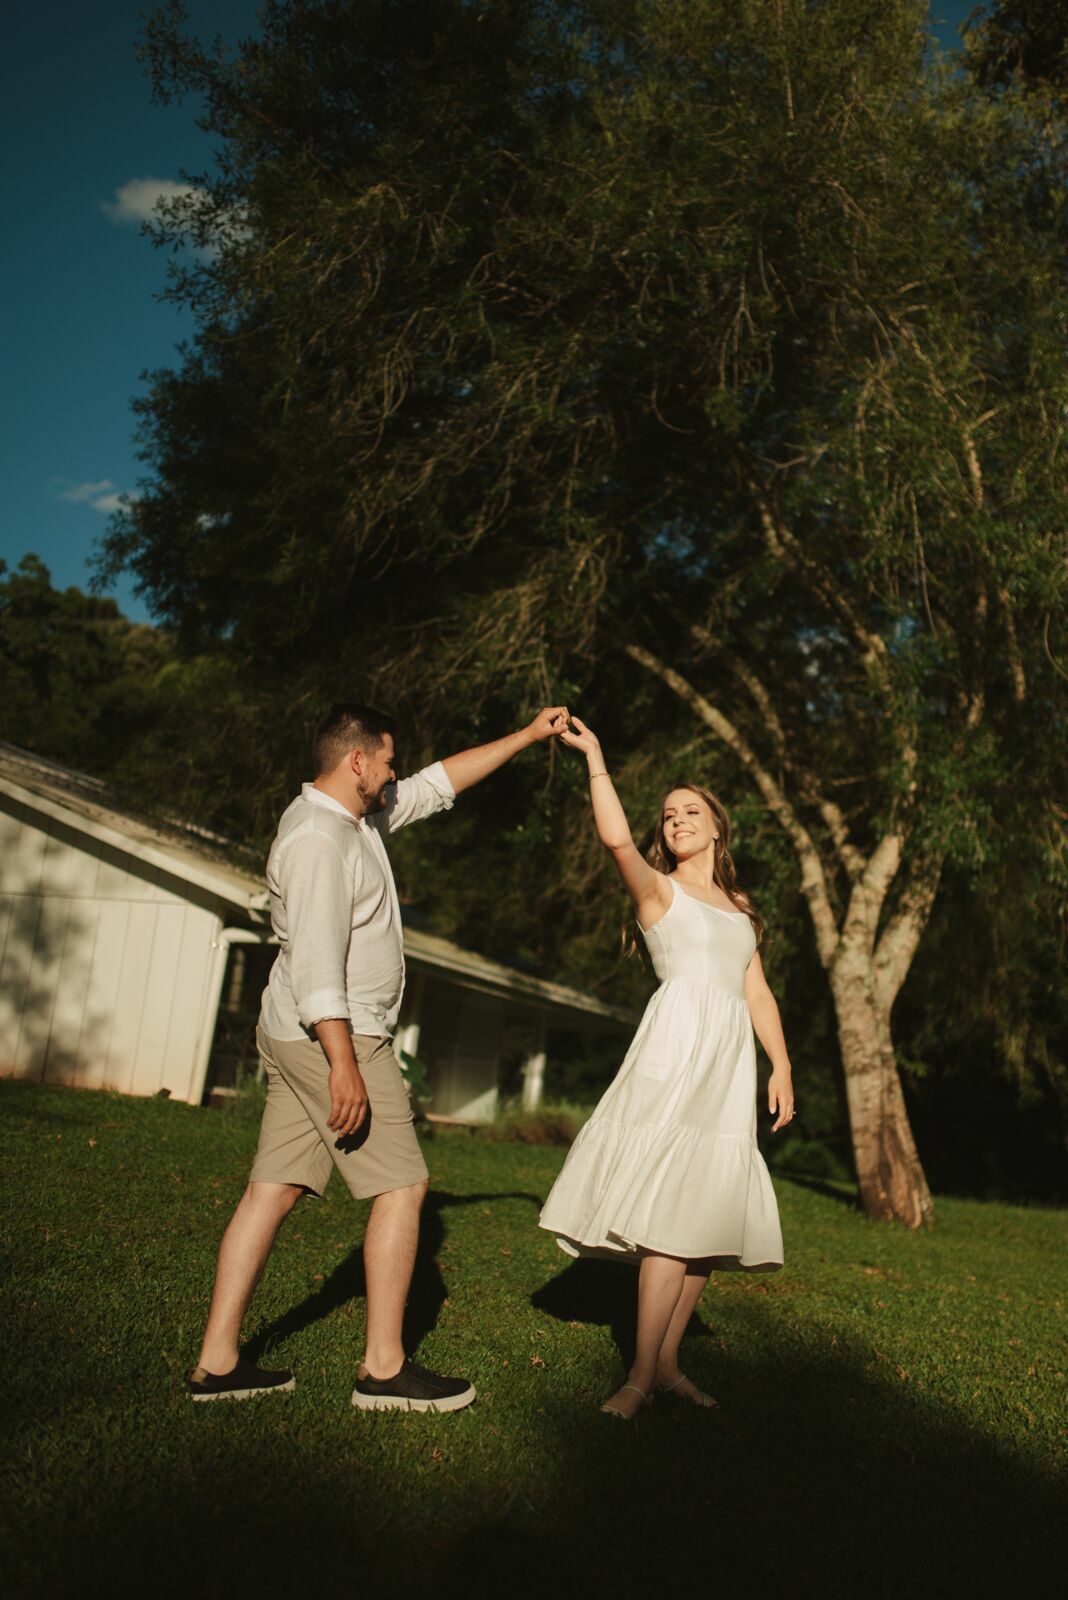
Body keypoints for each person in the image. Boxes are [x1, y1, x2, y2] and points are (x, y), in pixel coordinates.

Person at [187, 700, 569, 1411]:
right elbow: (317, 970)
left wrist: (525, 735)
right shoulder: (316, 842)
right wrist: (343, 1064)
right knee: (403, 1187)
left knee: (275, 1188)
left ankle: (217, 1362)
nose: (396, 773)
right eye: (388, 760)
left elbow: (438, 784)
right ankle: (383, 1370)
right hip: (335, 1034)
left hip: (314, 1031)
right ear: (356, 760)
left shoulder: (357, 820)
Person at [539, 716, 793, 1420]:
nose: (678, 820)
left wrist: (783, 1065)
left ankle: (670, 1365)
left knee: (703, 1216)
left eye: (692, 812)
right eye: (669, 814)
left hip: (727, 1065)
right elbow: (615, 836)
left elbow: (757, 990)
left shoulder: (741, 909)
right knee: (662, 1214)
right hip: (674, 1053)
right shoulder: (659, 891)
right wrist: (594, 756)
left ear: (717, 828)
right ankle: (638, 1378)